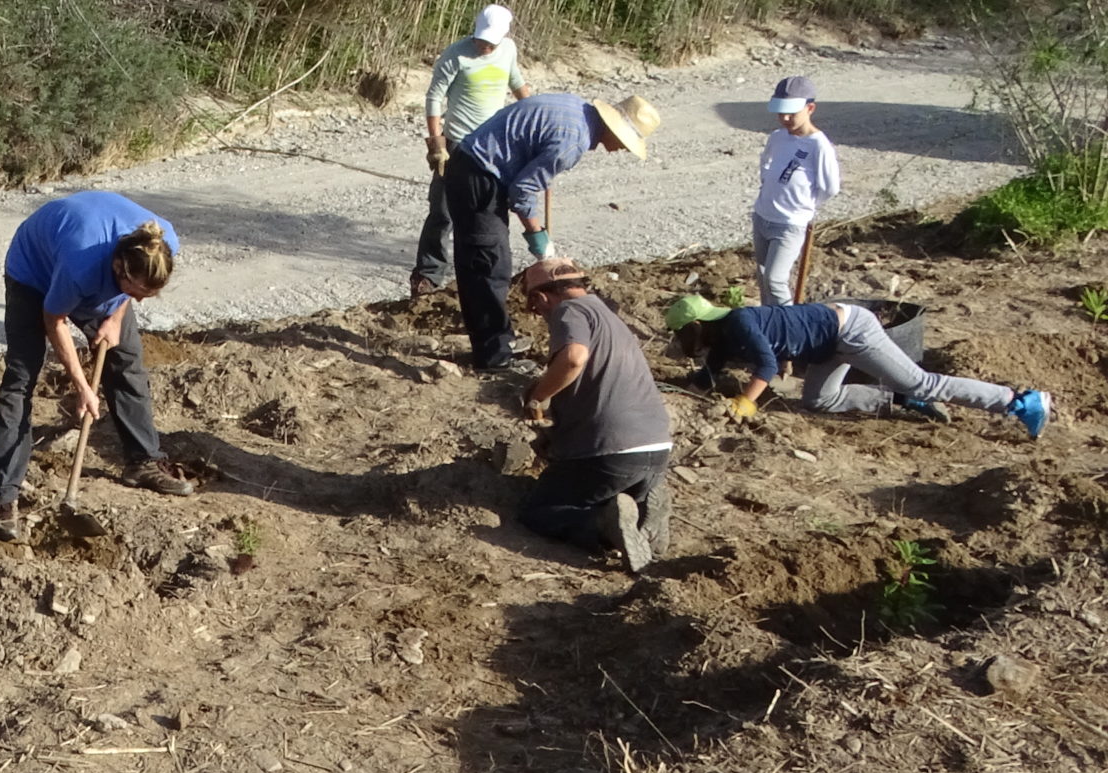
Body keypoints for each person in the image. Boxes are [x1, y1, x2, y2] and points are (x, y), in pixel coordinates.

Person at [0, 192, 189, 540]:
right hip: (33, 273)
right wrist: (81, 388)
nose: (140, 300)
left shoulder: (163, 243)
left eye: (147, 295)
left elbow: (129, 295)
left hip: (94, 271)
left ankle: (142, 461)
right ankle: (4, 496)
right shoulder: (80, 266)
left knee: (126, 361)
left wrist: (116, 315)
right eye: (136, 291)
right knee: (21, 377)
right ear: (119, 268)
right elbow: (54, 319)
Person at [442, 91, 660, 375]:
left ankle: (498, 341)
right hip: (479, 175)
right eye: (624, 143)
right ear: (614, 129)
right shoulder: (573, 142)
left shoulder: (577, 109)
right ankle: (493, 358)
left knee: (489, 260)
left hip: (478, 165)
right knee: (489, 265)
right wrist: (540, 242)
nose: (620, 149)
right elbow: (522, 191)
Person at [666, 293, 1050, 435]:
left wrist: (746, 403)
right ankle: (901, 401)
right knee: (819, 401)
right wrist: (677, 396)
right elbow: (706, 378)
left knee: (923, 381)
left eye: (682, 335)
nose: (682, 343)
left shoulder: (737, 322)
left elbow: (765, 367)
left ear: (697, 326)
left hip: (851, 331)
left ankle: (1020, 401)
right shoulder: (718, 341)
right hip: (825, 348)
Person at [515, 259, 672, 572]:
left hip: (611, 451)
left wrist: (538, 396)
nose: (537, 313)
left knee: (540, 509)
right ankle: (642, 509)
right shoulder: (608, 317)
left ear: (542, 298)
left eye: (534, 304)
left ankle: (603, 526)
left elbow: (573, 359)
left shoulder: (569, 311)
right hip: (656, 448)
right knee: (607, 487)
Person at [412, 4, 530, 298]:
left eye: (491, 41)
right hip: (459, 145)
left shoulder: (508, 51)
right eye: (481, 39)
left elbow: (516, 83)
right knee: (443, 212)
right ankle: (428, 275)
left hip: (494, 145)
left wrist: (533, 115)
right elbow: (434, 97)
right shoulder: (457, 55)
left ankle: (485, 273)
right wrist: (436, 141)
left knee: (490, 211)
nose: (485, 46)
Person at [751, 74, 841, 307]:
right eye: (781, 112)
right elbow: (766, 163)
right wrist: (767, 187)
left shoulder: (818, 146)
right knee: (763, 276)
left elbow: (830, 187)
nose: (785, 118)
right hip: (763, 216)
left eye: (792, 112)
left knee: (775, 279)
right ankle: (769, 323)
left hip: (789, 224)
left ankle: (791, 329)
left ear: (810, 108)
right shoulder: (778, 137)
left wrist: (805, 207)